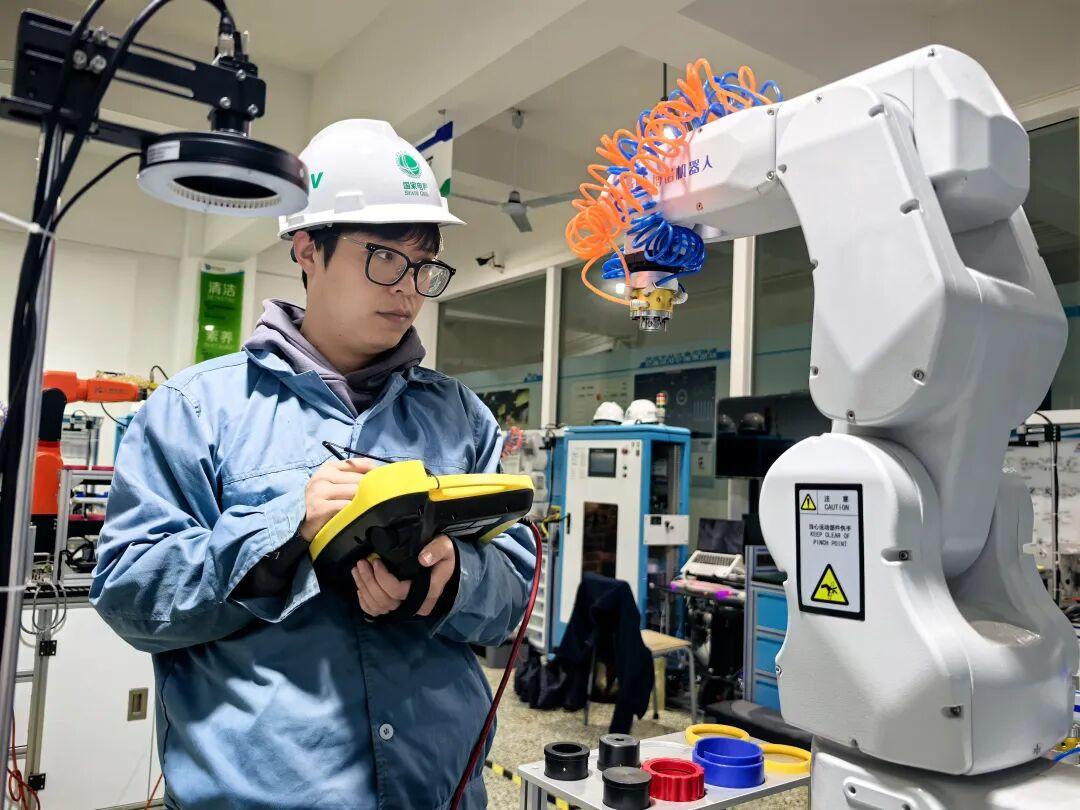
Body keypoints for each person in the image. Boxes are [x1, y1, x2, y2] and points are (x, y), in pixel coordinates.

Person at [91, 119, 535, 810]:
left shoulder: (462, 417)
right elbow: (130, 595)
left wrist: (448, 577)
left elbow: (512, 596)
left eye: (424, 266)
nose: (409, 289)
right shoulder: (197, 410)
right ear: (307, 248)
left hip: (439, 791)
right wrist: (286, 528)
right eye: (384, 257)